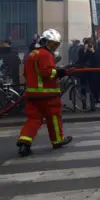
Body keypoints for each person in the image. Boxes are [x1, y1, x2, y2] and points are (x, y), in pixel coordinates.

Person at [16, 29, 72, 157]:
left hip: (32, 95)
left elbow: (26, 73)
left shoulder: (32, 54)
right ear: (45, 41)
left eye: (56, 45)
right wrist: (59, 72)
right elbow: (47, 73)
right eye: (52, 44)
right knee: (54, 118)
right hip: (48, 95)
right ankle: (57, 140)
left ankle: (24, 143)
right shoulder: (46, 55)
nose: (54, 47)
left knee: (33, 119)